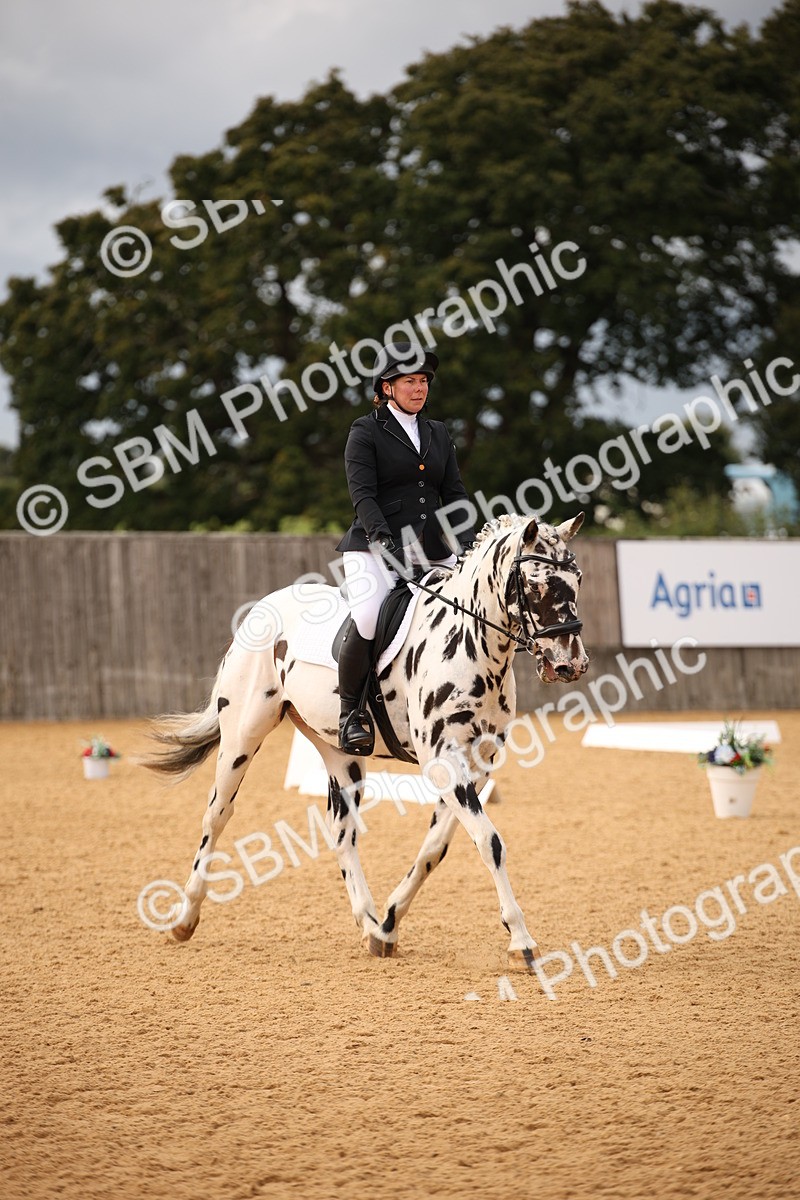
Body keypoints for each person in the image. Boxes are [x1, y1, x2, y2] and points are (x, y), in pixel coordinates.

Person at [335, 341, 476, 754]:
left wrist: (470, 545)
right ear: (387, 386)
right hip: (373, 545)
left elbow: (454, 493)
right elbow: (363, 496)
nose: (419, 388)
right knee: (366, 617)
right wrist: (386, 544)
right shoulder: (365, 431)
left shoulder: (437, 432)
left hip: (431, 547)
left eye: (423, 381)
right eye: (410, 381)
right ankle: (351, 715)